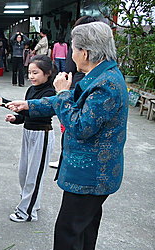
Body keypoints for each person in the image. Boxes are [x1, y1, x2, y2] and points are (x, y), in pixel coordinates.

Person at [5, 21, 128, 250]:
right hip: (92, 177)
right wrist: (29, 105)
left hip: (90, 177)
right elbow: (68, 101)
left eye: (73, 49)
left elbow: (81, 126)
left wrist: (61, 94)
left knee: (68, 236)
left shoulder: (106, 85)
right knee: (83, 233)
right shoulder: (100, 76)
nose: (71, 55)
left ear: (84, 53)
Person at [0, 55, 57, 222]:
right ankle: (31, 203)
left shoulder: (50, 92)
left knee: (34, 176)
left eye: (35, 73)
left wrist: (6, 103)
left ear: (47, 73)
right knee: (23, 174)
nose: (31, 76)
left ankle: (27, 212)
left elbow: (35, 111)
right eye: (29, 72)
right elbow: (25, 115)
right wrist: (15, 119)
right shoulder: (31, 89)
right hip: (28, 133)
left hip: (42, 135)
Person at [49, 16, 98, 169]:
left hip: (73, 87)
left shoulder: (99, 82)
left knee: (69, 123)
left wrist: (63, 92)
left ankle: (66, 157)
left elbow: (80, 127)